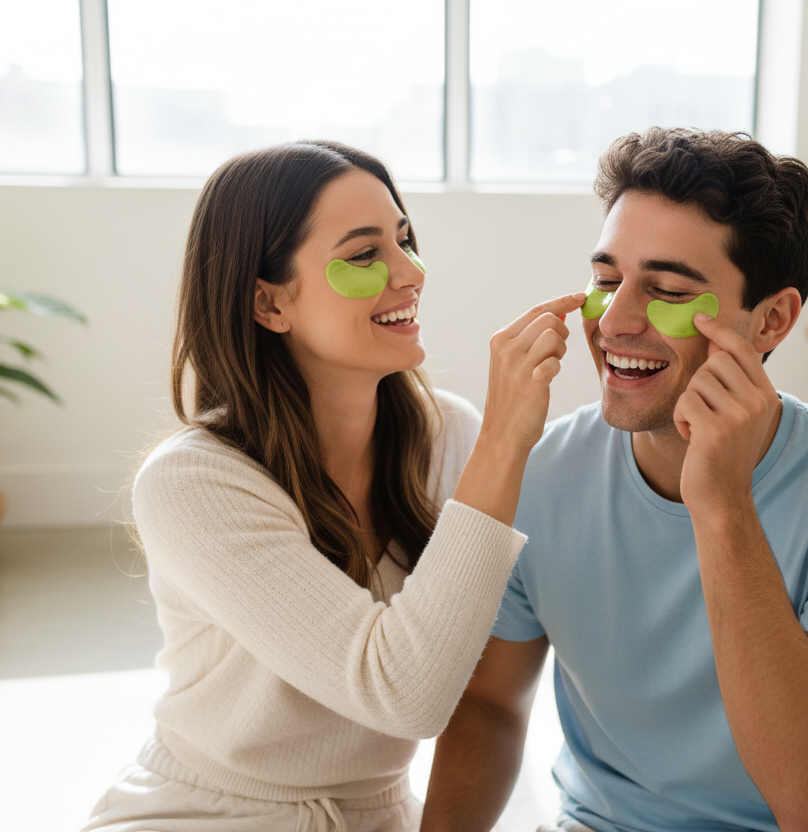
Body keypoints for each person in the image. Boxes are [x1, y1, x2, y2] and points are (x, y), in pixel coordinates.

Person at [420, 128, 808, 832]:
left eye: (667, 291)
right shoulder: (544, 471)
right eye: (606, 280)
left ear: (771, 320)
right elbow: (488, 705)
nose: (616, 319)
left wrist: (723, 508)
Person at [82, 140, 585, 832]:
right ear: (268, 303)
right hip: (204, 814)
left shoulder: (451, 438)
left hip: (378, 815)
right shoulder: (190, 482)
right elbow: (402, 694)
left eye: (405, 240)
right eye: (363, 255)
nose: (409, 273)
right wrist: (506, 440)